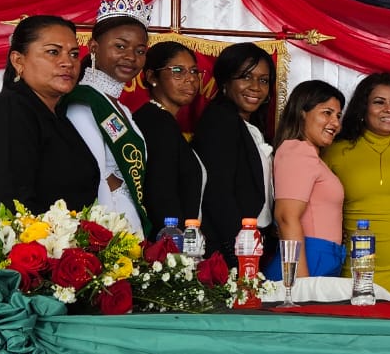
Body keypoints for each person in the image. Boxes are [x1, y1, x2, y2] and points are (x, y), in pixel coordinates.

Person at [0, 15, 99, 230]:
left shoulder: (57, 116)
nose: (68, 62)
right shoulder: (7, 111)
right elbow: (11, 209)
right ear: (18, 61)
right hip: (15, 248)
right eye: (53, 52)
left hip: (62, 247)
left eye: (73, 54)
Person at [324, 72, 390, 296]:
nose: (389, 109)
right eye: (379, 102)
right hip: (357, 268)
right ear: (363, 108)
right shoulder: (335, 151)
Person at [64, 0, 151, 237]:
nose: (131, 57)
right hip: (105, 227)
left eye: (140, 50)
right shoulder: (83, 103)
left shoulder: (121, 108)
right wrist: (104, 237)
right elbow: (94, 176)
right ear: (94, 47)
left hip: (128, 220)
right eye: (120, 46)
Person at [191, 42, 278, 267]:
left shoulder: (249, 126)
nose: (256, 87)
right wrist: (238, 255)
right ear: (225, 81)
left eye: (263, 80)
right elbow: (218, 194)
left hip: (251, 242)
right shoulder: (221, 120)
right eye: (246, 77)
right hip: (231, 247)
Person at [269, 80, 347, 281]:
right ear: (302, 112)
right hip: (307, 260)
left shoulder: (311, 155)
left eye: (338, 116)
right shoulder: (298, 151)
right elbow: (286, 217)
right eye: (327, 113)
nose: (336, 123)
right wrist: (300, 284)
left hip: (321, 259)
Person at [133, 42, 206, 232]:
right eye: (178, 71)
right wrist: (174, 244)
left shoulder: (161, 119)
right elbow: (161, 194)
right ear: (152, 76)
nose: (190, 79)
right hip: (166, 241)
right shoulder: (157, 123)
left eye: (194, 71)